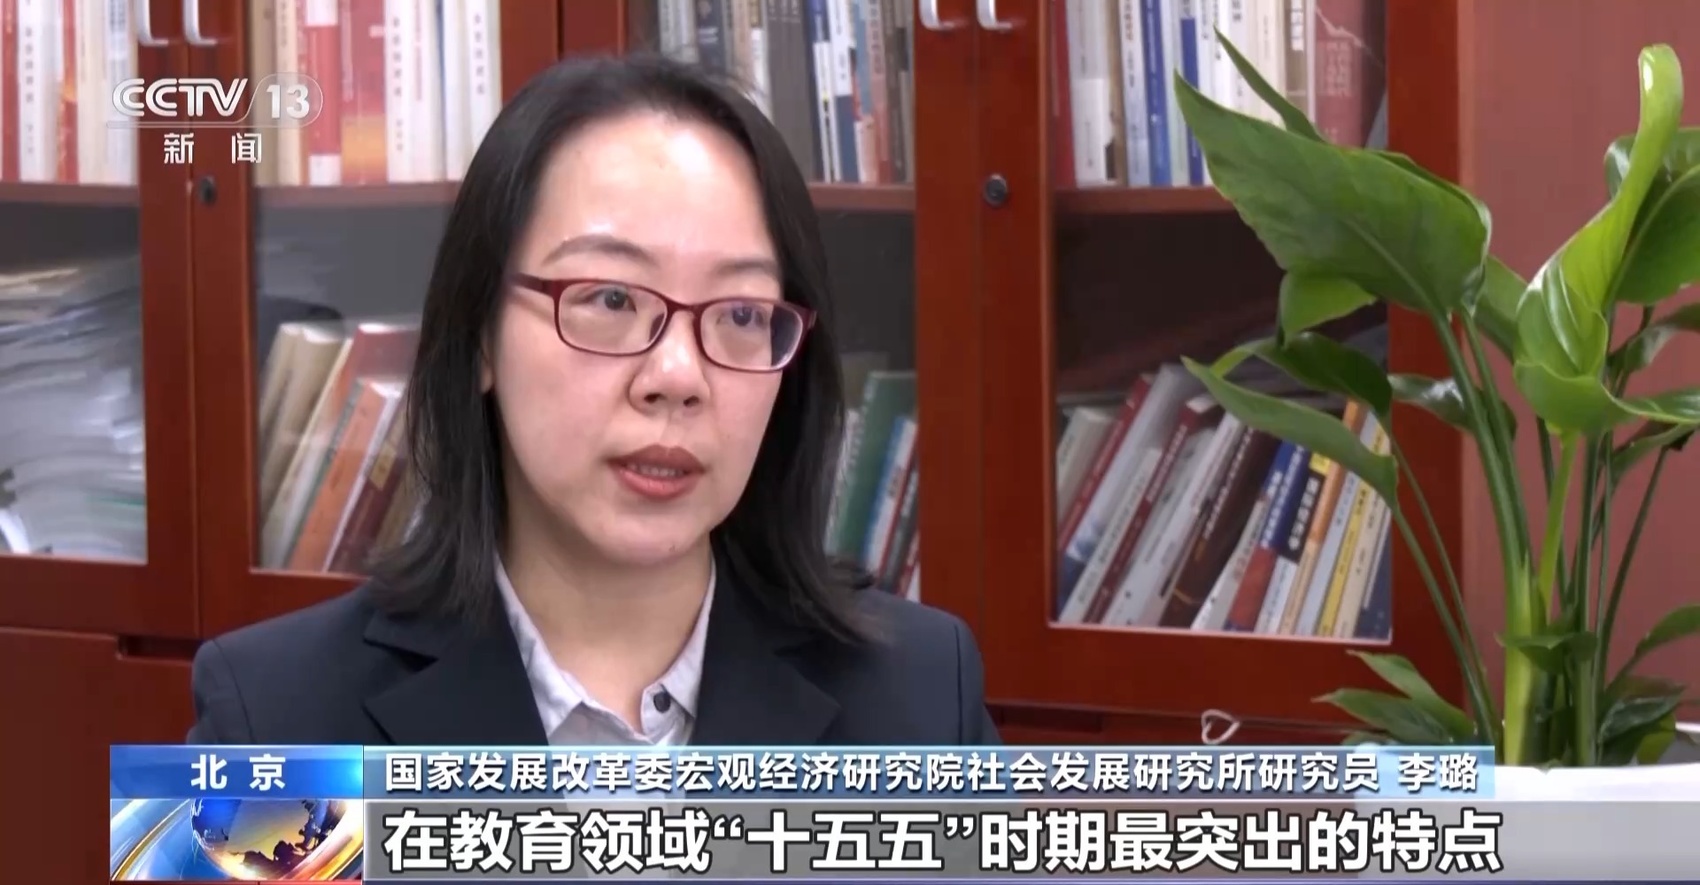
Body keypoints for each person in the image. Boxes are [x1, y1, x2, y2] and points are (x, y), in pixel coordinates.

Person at [186, 55, 999, 747]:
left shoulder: (922, 697)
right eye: (611, 299)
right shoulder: (273, 717)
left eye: (742, 313)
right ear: (479, 335)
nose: (677, 375)